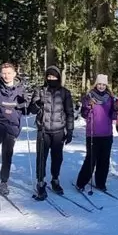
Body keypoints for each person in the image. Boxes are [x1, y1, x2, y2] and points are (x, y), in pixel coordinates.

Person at [29, 66, 74, 199]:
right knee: (41, 157)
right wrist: (38, 104)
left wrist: (70, 130)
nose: (51, 79)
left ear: (58, 78)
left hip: (58, 130)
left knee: (57, 158)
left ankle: (55, 179)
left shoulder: (65, 92)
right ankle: (40, 181)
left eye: (54, 77)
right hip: (43, 130)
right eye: (49, 77)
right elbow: (31, 109)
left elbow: (69, 112)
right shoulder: (40, 91)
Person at [0, 62, 29, 196]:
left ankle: (4, 181)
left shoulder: (20, 89)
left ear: (14, 74)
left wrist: (25, 103)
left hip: (12, 125)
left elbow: (27, 108)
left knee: (7, 154)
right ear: (0, 74)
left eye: (9, 73)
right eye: (4, 73)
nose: (6, 76)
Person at [76, 74, 115, 192]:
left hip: (107, 133)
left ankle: (101, 182)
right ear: (96, 84)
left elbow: (113, 115)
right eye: (99, 84)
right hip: (93, 133)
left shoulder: (110, 98)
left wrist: (117, 109)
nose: (101, 86)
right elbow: (83, 114)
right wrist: (88, 106)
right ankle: (81, 182)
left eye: (104, 84)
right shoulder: (89, 97)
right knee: (90, 159)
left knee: (104, 160)